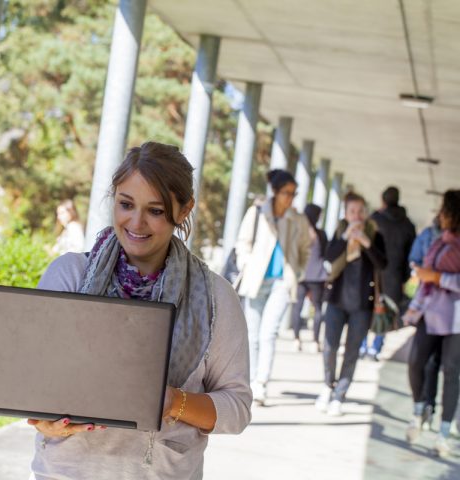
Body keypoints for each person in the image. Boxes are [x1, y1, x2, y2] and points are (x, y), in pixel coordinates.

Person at [28, 142, 251, 479]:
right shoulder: (69, 275)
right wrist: (46, 422)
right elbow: (32, 378)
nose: (137, 222)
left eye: (156, 210)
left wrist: (172, 402)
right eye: (126, 204)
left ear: (184, 210)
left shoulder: (216, 297)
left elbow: (237, 409)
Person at [234, 169, 311, 405]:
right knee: (252, 334)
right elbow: (243, 243)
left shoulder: (297, 220)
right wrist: (246, 264)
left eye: (294, 193)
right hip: (256, 281)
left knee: (269, 333)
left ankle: (261, 383)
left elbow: (304, 249)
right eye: (287, 192)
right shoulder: (257, 213)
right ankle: (250, 379)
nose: (290, 197)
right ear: (275, 192)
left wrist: (297, 273)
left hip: (281, 283)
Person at [315, 192, 387, 416]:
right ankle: (328, 385)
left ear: (365, 213)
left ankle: (339, 396)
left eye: (360, 211)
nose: (356, 215)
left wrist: (365, 242)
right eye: (352, 211)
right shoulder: (339, 232)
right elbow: (328, 256)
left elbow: (382, 264)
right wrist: (346, 237)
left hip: (362, 305)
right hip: (337, 300)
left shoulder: (374, 235)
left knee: (352, 351)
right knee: (330, 347)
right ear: (346, 213)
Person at [404, 189, 460, 457]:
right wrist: (414, 309)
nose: (441, 215)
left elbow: (435, 277)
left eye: (445, 211)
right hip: (430, 313)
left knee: (451, 372)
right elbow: (425, 279)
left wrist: (438, 278)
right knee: (416, 361)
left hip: (457, 320)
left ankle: (444, 432)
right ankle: (420, 410)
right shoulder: (439, 241)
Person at [360, 186, 416, 360]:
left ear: (383, 200)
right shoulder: (408, 225)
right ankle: (375, 348)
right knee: (386, 312)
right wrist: (404, 278)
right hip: (395, 274)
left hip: (372, 272)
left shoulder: (374, 219)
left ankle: (361, 346)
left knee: (365, 309)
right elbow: (411, 255)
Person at [407, 216, 443, 430]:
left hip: (448, 311)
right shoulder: (429, 236)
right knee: (420, 361)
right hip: (427, 303)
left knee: (435, 363)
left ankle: (429, 405)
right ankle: (422, 404)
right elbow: (414, 260)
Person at [290, 203, 328, 352]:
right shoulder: (321, 234)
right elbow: (326, 254)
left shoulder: (298, 232)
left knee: (297, 307)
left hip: (301, 275)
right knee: (317, 308)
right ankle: (315, 341)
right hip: (318, 275)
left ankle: (296, 339)